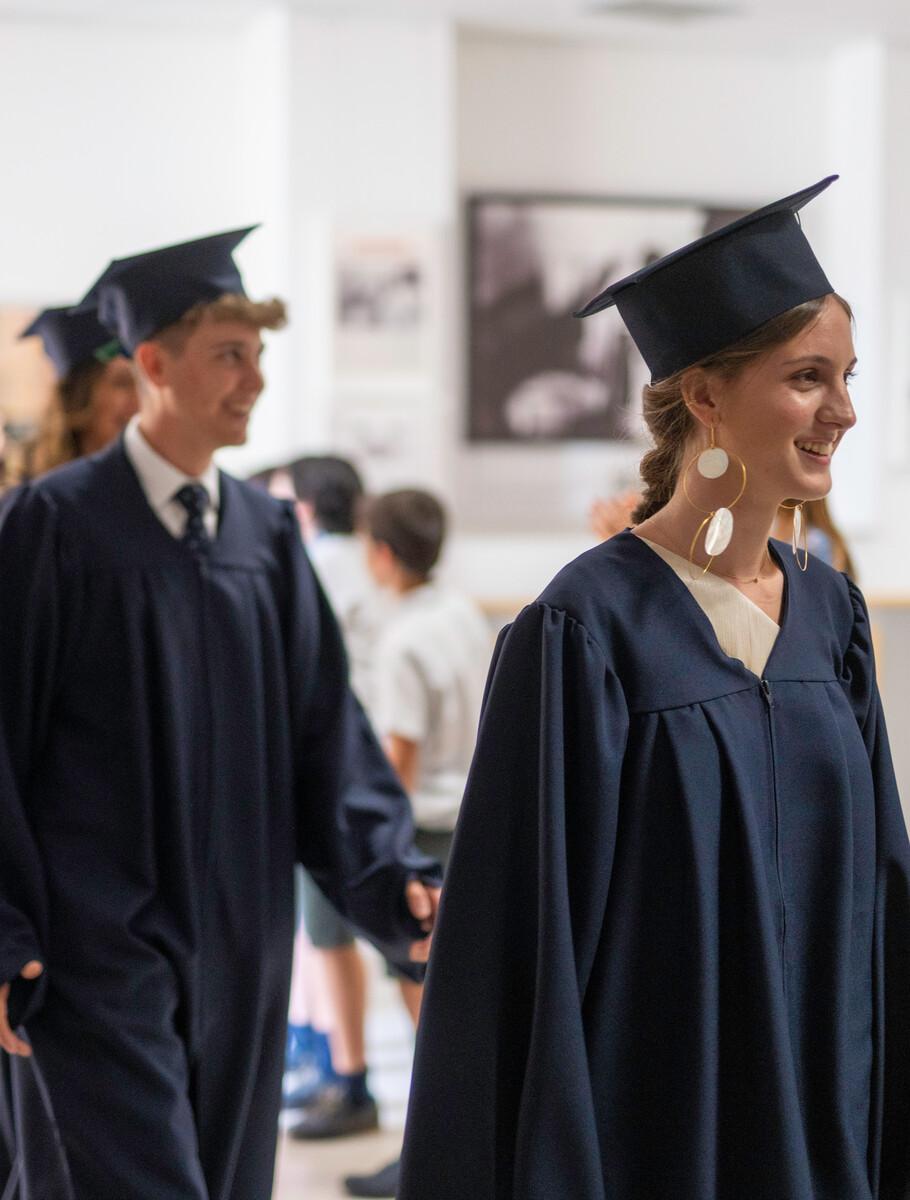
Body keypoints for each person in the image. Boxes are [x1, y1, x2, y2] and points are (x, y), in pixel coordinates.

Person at [398, 177, 910, 1200]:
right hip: (661, 1139)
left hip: (827, 1125)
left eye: (847, 376)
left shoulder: (833, 619)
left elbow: (881, 905)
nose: (844, 411)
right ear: (706, 395)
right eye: (808, 377)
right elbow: (520, 958)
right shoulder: (583, 632)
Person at [0, 227, 441, 1200]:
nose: (255, 382)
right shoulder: (54, 524)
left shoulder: (264, 533)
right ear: (151, 363)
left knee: (231, 1179)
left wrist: (384, 875)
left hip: (243, 938)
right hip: (97, 941)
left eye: (258, 358)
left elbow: (326, 730)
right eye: (229, 357)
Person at [344, 488, 492, 1199]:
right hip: (472, 821)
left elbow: (397, 760)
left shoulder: (403, 639)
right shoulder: (462, 612)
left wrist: (381, 850)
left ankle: (431, 1160)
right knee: (457, 1003)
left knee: (426, 1009)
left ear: (383, 554)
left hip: (424, 833)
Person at [18, 306, 138, 478]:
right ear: (77, 397)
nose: (139, 400)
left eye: (142, 384)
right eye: (122, 383)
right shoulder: (32, 499)